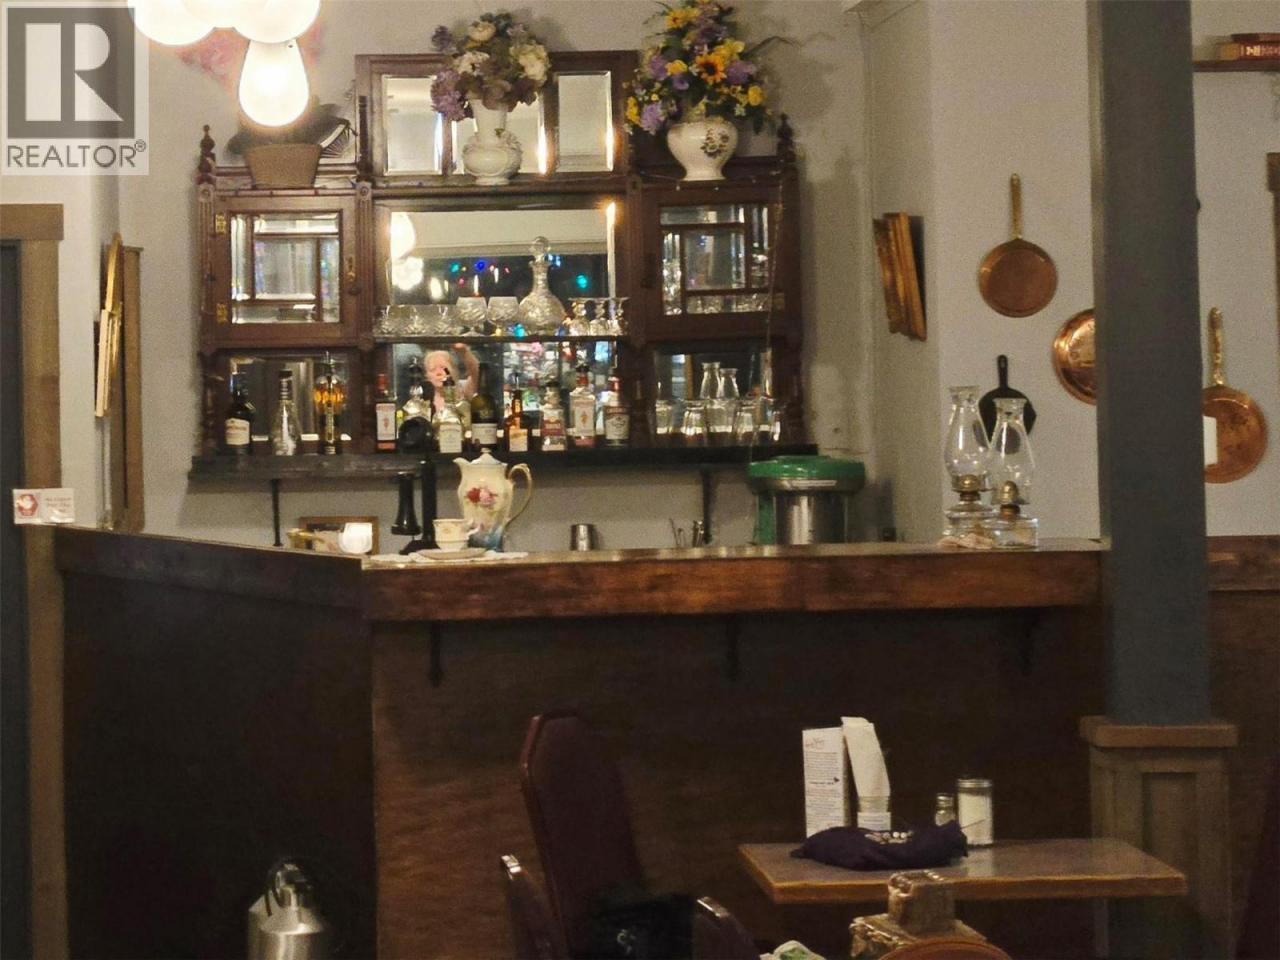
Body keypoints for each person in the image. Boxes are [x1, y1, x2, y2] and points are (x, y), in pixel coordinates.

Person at [424, 344, 479, 413]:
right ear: (427, 375)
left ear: (453, 370)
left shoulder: (463, 390)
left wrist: (464, 352)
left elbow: (477, 374)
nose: (438, 373)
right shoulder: (423, 398)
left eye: (443, 368)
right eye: (432, 369)